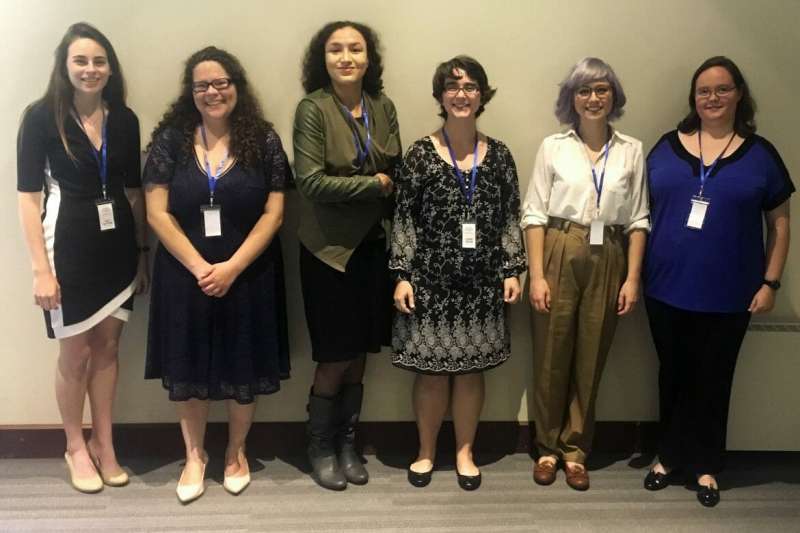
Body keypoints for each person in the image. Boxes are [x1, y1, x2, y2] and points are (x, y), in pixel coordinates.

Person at [642, 56, 793, 507]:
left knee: (714, 379)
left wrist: (771, 283)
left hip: (730, 294)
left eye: (723, 89)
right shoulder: (665, 147)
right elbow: (639, 211)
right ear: (693, 98)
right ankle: (668, 456)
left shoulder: (761, 155)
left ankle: (706, 465)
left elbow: (781, 225)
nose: (713, 98)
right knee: (672, 375)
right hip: (664, 288)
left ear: (739, 94)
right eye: (704, 90)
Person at [143, 46, 291, 503]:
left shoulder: (263, 140)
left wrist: (232, 267)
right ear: (190, 93)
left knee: (242, 363)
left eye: (221, 82)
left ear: (236, 86)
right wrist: (201, 268)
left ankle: (235, 450)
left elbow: (275, 213)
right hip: (184, 275)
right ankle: (194, 455)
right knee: (187, 364)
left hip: (249, 274)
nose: (212, 92)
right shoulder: (171, 140)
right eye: (202, 85)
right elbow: (156, 212)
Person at [16, 22, 148, 494]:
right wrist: (40, 271)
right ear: (64, 66)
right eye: (81, 60)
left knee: (108, 349)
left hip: (118, 250)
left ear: (110, 68)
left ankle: (103, 443)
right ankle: (74, 445)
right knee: (75, 354)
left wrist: (142, 253)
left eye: (99, 61)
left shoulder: (125, 119)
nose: (90, 69)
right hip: (67, 249)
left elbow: (134, 193)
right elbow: (28, 198)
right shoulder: (40, 117)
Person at [391, 56, 525, 491]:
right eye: (452, 86)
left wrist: (512, 269)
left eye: (470, 87)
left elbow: (510, 216)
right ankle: (426, 451)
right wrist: (402, 274)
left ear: (482, 95)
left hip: (483, 284)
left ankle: (465, 452)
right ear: (440, 96)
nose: (461, 94)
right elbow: (404, 218)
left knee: (471, 372)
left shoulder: (500, 155)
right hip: (429, 283)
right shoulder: (420, 154)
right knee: (431, 375)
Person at [521, 57, 649, 491]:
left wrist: (632, 278)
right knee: (551, 353)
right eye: (584, 90)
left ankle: (575, 451)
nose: (593, 98)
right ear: (571, 98)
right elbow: (534, 213)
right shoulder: (553, 147)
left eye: (601, 90)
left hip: (608, 252)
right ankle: (546, 448)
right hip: (559, 246)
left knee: (592, 354)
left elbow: (638, 219)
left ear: (613, 96)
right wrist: (537, 275)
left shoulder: (631, 150)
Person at [293, 20, 400, 491]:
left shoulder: (382, 106)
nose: (346, 57)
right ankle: (319, 446)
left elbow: (395, 167)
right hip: (328, 252)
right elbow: (311, 183)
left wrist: (379, 183)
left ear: (368, 58)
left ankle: (347, 443)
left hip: (373, 246)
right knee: (334, 355)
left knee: (361, 353)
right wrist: (373, 184)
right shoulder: (312, 109)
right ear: (323, 59)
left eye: (355, 49)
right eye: (335, 49)